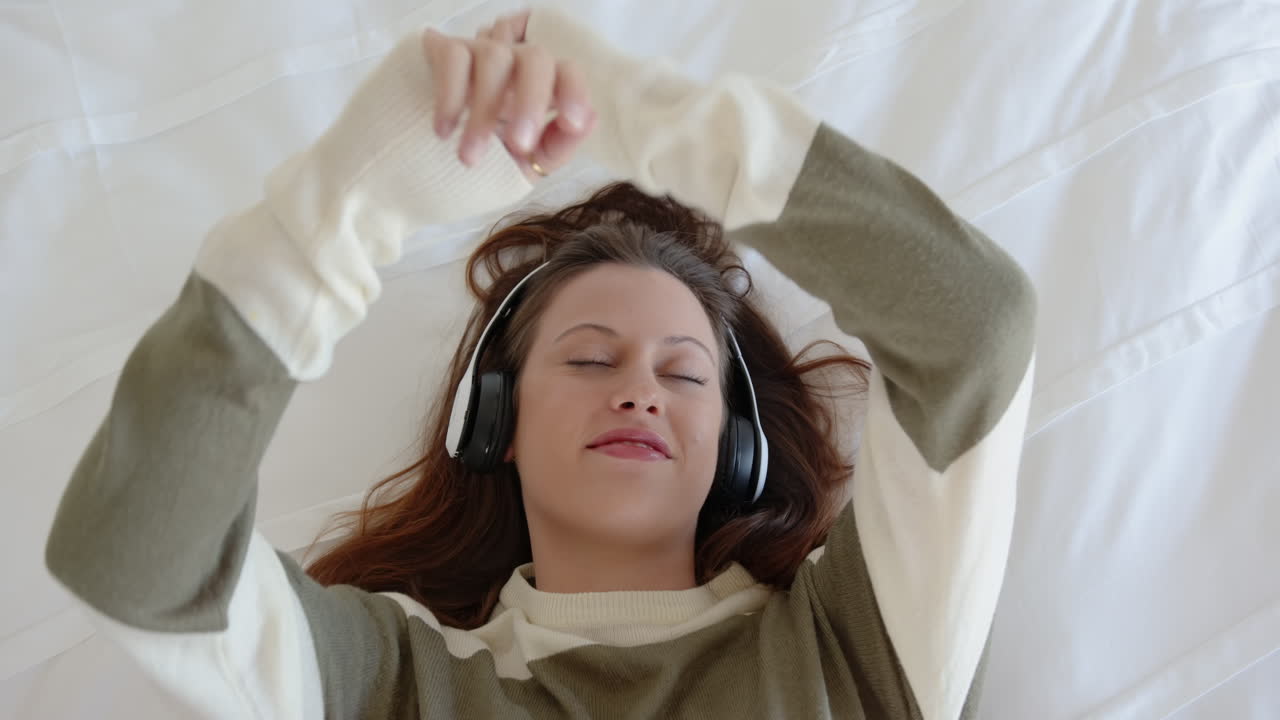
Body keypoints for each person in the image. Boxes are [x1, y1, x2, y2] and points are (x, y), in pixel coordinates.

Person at [44, 5, 1037, 719]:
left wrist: (635, 110)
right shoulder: (393, 682)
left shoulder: (855, 644)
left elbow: (974, 329)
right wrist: (352, 199)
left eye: (685, 373)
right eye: (588, 359)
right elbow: (133, 559)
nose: (639, 389)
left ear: (735, 448)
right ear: (495, 424)